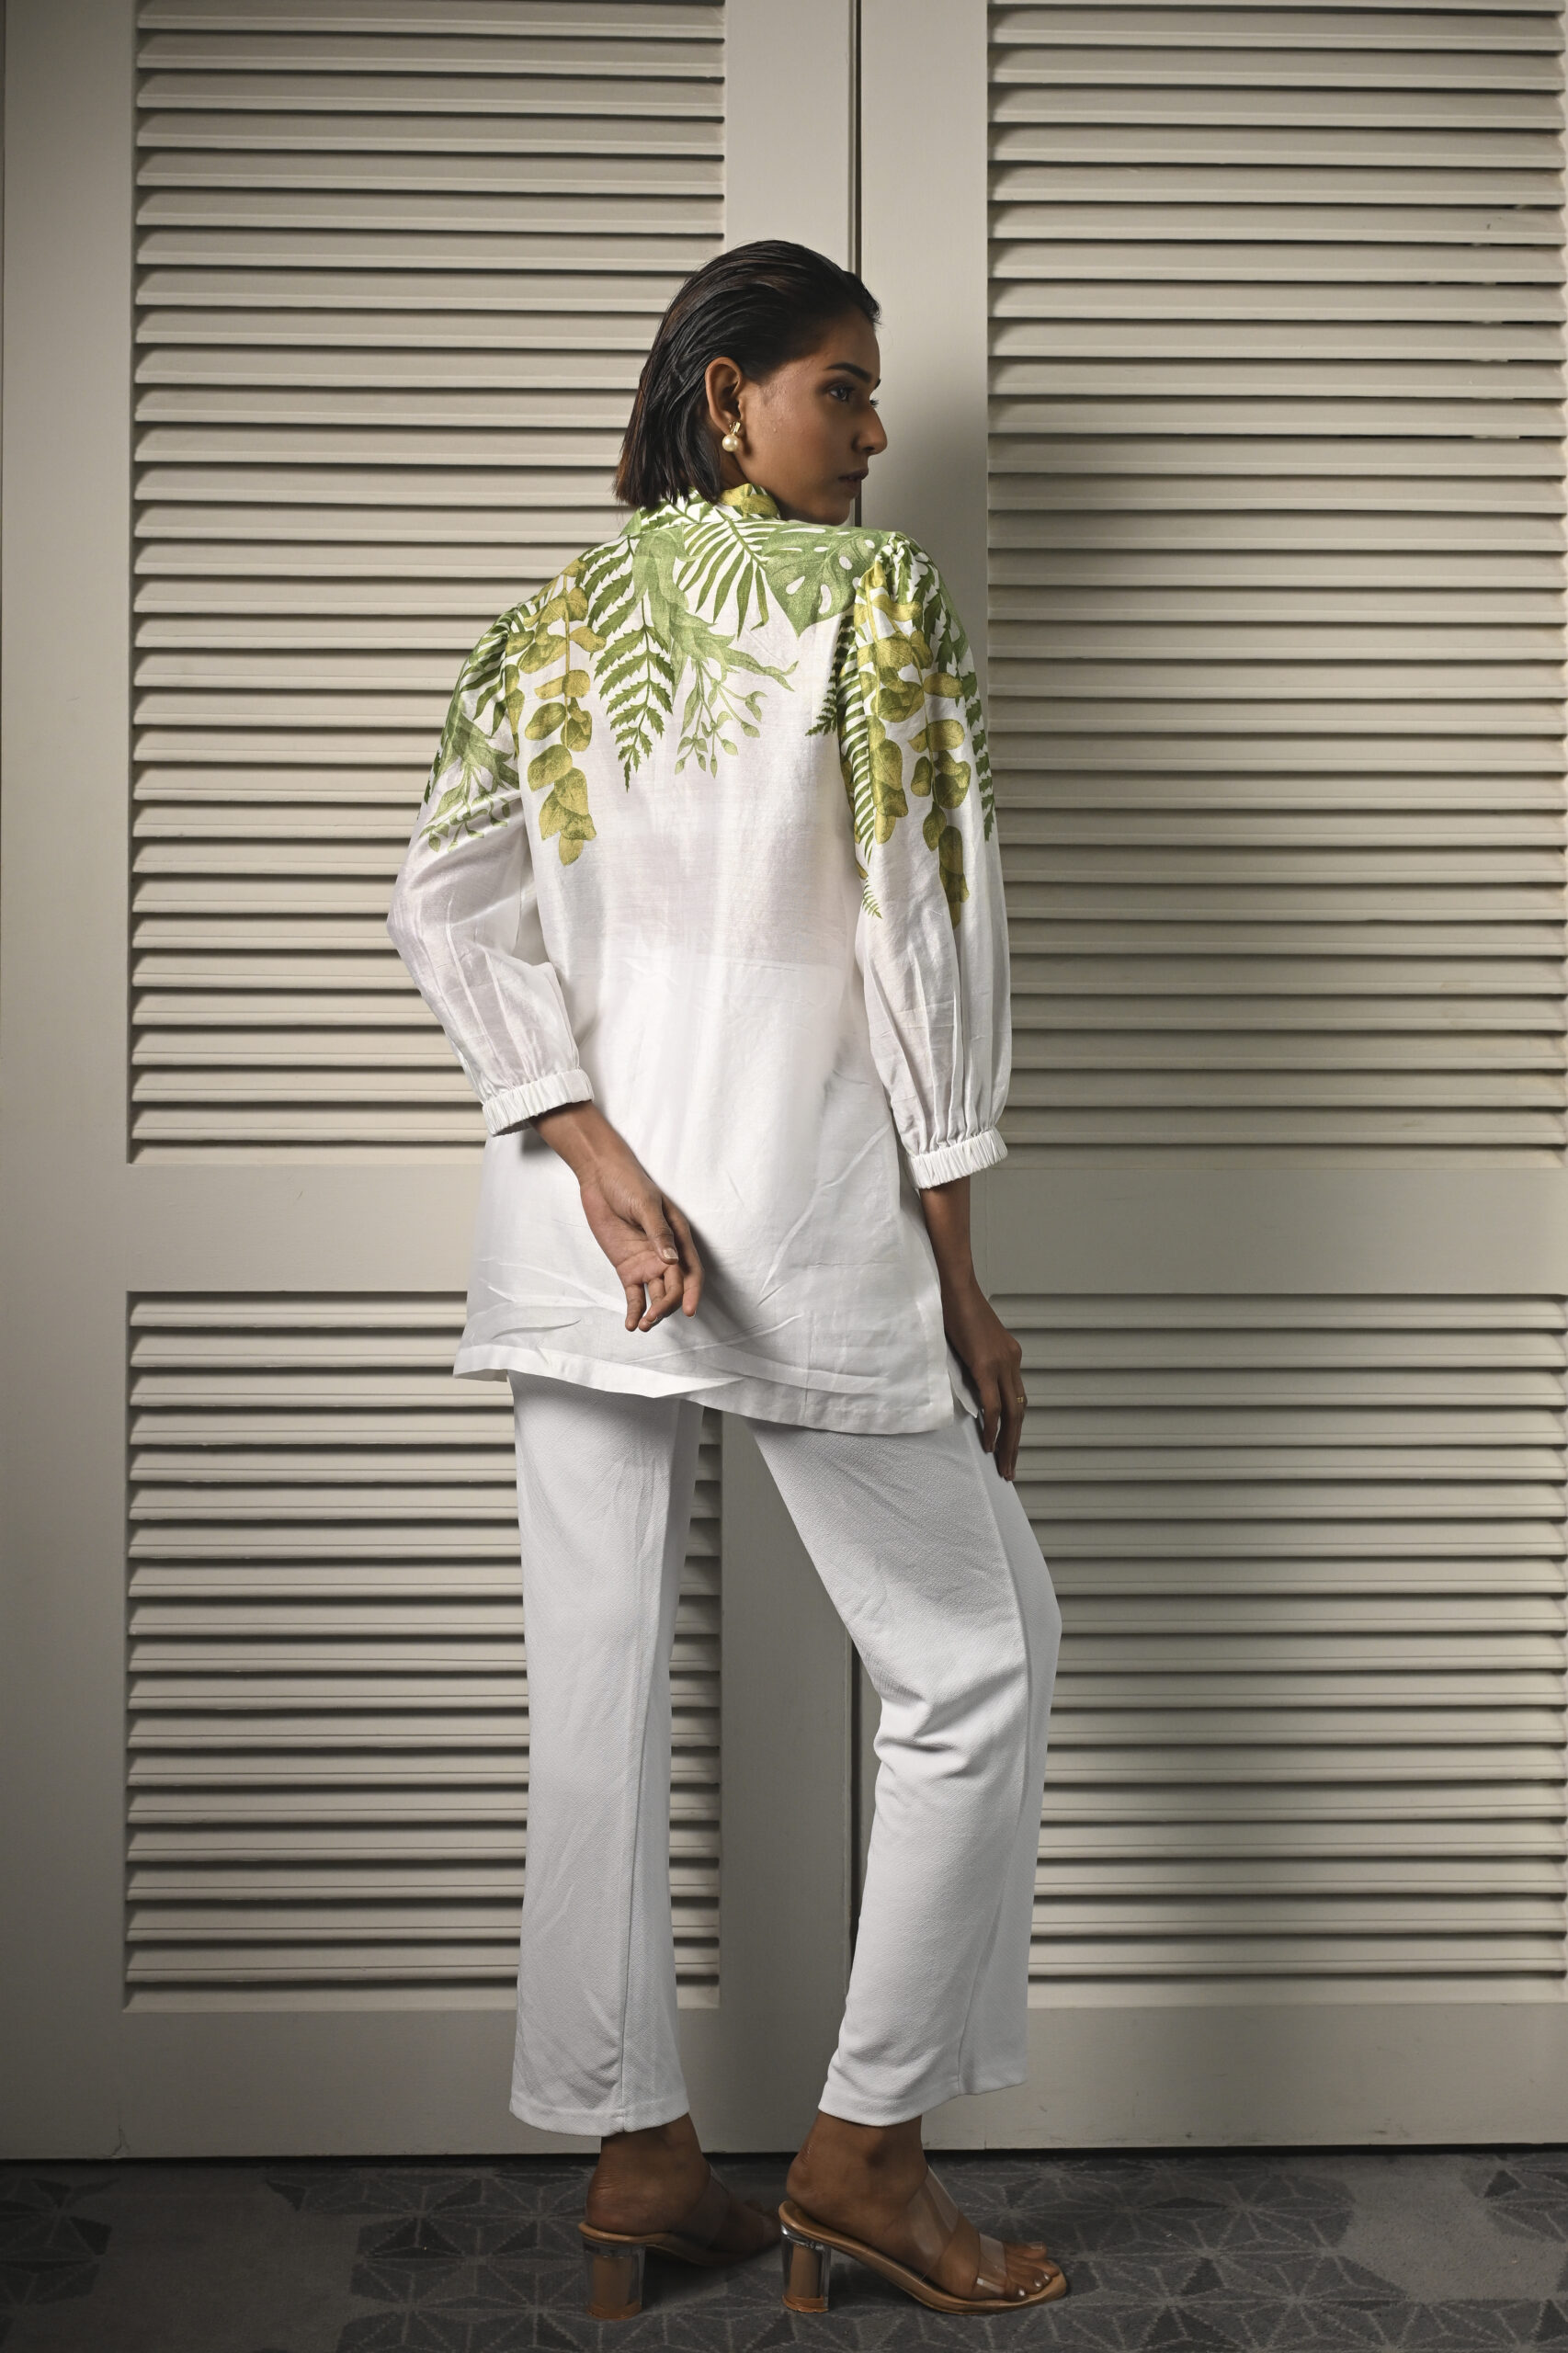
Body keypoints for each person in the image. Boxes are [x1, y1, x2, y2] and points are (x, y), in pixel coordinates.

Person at [386, 239, 1065, 2318]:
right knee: (974, 1661)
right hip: (795, 1221)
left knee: (588, 1695)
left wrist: (590, 1157)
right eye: (840, 387)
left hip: (579, 1235)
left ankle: (638, 2158)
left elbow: (441, 903)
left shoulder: (545, 621)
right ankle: (866, 2157)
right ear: (726, 397)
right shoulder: (873, 601)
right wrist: (960, 1274)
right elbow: (921, 941)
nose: (873, 431)